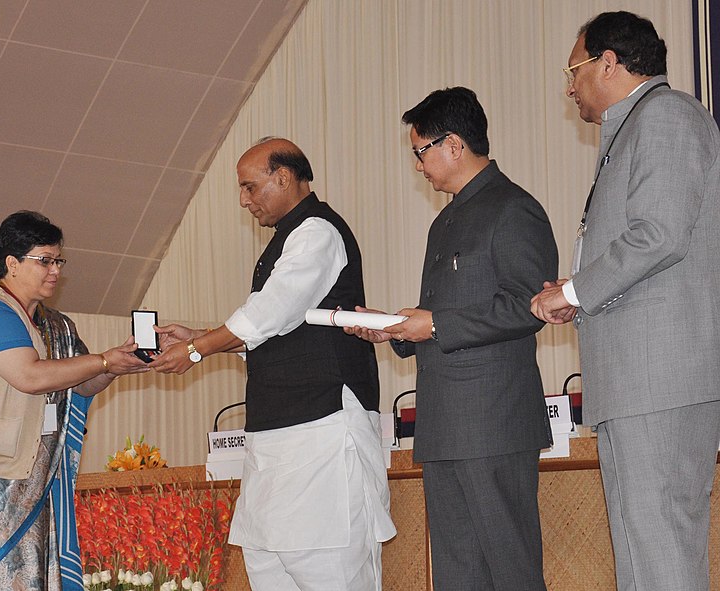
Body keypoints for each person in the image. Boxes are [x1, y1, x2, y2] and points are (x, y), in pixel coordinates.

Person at [150, 137, 396, 591]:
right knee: (268, 565)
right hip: (276, 437)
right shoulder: (287, 239)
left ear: (283, 178)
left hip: (321, 427)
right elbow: (276, 329)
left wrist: (199, 348)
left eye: (250, 187)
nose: (244, 201)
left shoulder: (317, 231)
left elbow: (269, 313)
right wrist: (201, 338)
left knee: (327, 568)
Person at [530, 11, 720, 590]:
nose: (570, 86)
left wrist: (575, 290)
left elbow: (659, 234)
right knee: (642, 554)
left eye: (574, 69)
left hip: (658, 380)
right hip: (635, 383)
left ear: (608, 63)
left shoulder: (666, 116)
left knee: (660, 551)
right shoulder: (634, 125)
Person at [347, 87, 558, 590]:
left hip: (493, 423)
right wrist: (391, 328)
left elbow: (528, 306)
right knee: (457, 573)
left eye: (421, 152)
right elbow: (437, 317)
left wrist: (435, 324)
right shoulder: (444, 221)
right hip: (443, 425)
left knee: (511, 569)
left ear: (455, 145)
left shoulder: (514, 208)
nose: (419, 166)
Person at [0, 211, 149, 590]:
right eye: (44, 261)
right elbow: (29, 376)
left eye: (58, 261)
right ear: (11, 264)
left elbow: (80, 385)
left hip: (31, 472)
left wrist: (117, 366)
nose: (54, 271)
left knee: (27, 576)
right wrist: (103, 359)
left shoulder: (56, 324)